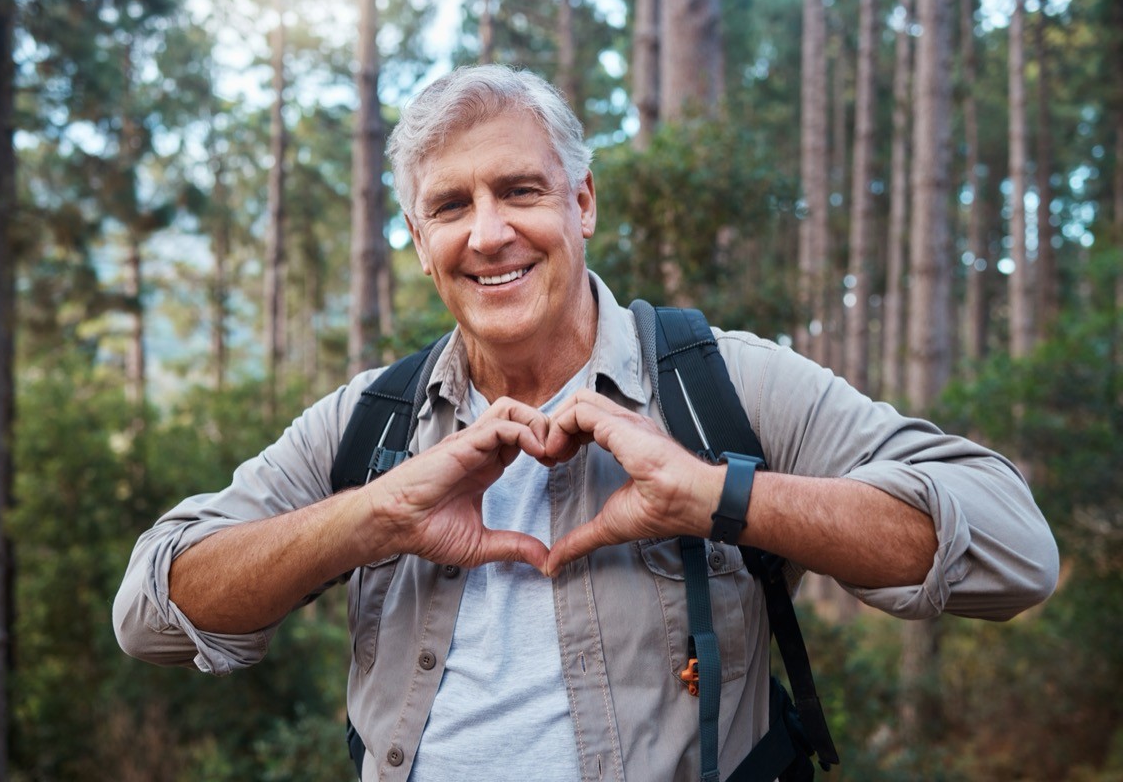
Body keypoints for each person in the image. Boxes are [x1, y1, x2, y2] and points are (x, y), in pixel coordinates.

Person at [113, 64, 1059, 781]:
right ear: (419, 244)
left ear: (582, 202)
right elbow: (151, 614)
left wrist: (713, 496)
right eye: (450, 206)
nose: (487, 233)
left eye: (520, 191)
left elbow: (1016, 552)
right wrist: (370, 518)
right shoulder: (371, 422)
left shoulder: (723, 382)